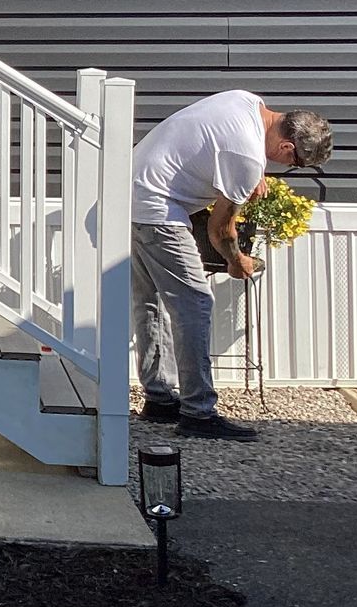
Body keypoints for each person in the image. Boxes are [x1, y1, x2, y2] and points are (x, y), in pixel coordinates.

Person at [129, 91, 333, 440]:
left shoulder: (244, 101)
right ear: (287, 149)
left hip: (131, 192)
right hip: (159, 211)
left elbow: (216, 144)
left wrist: (255, 171)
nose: (288, 168)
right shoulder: (247, 155)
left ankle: (160, 399)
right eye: (296, 163)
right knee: (195, 303)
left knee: (152, 301)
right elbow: (219, 229)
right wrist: (236, 260)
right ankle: (198, 413)